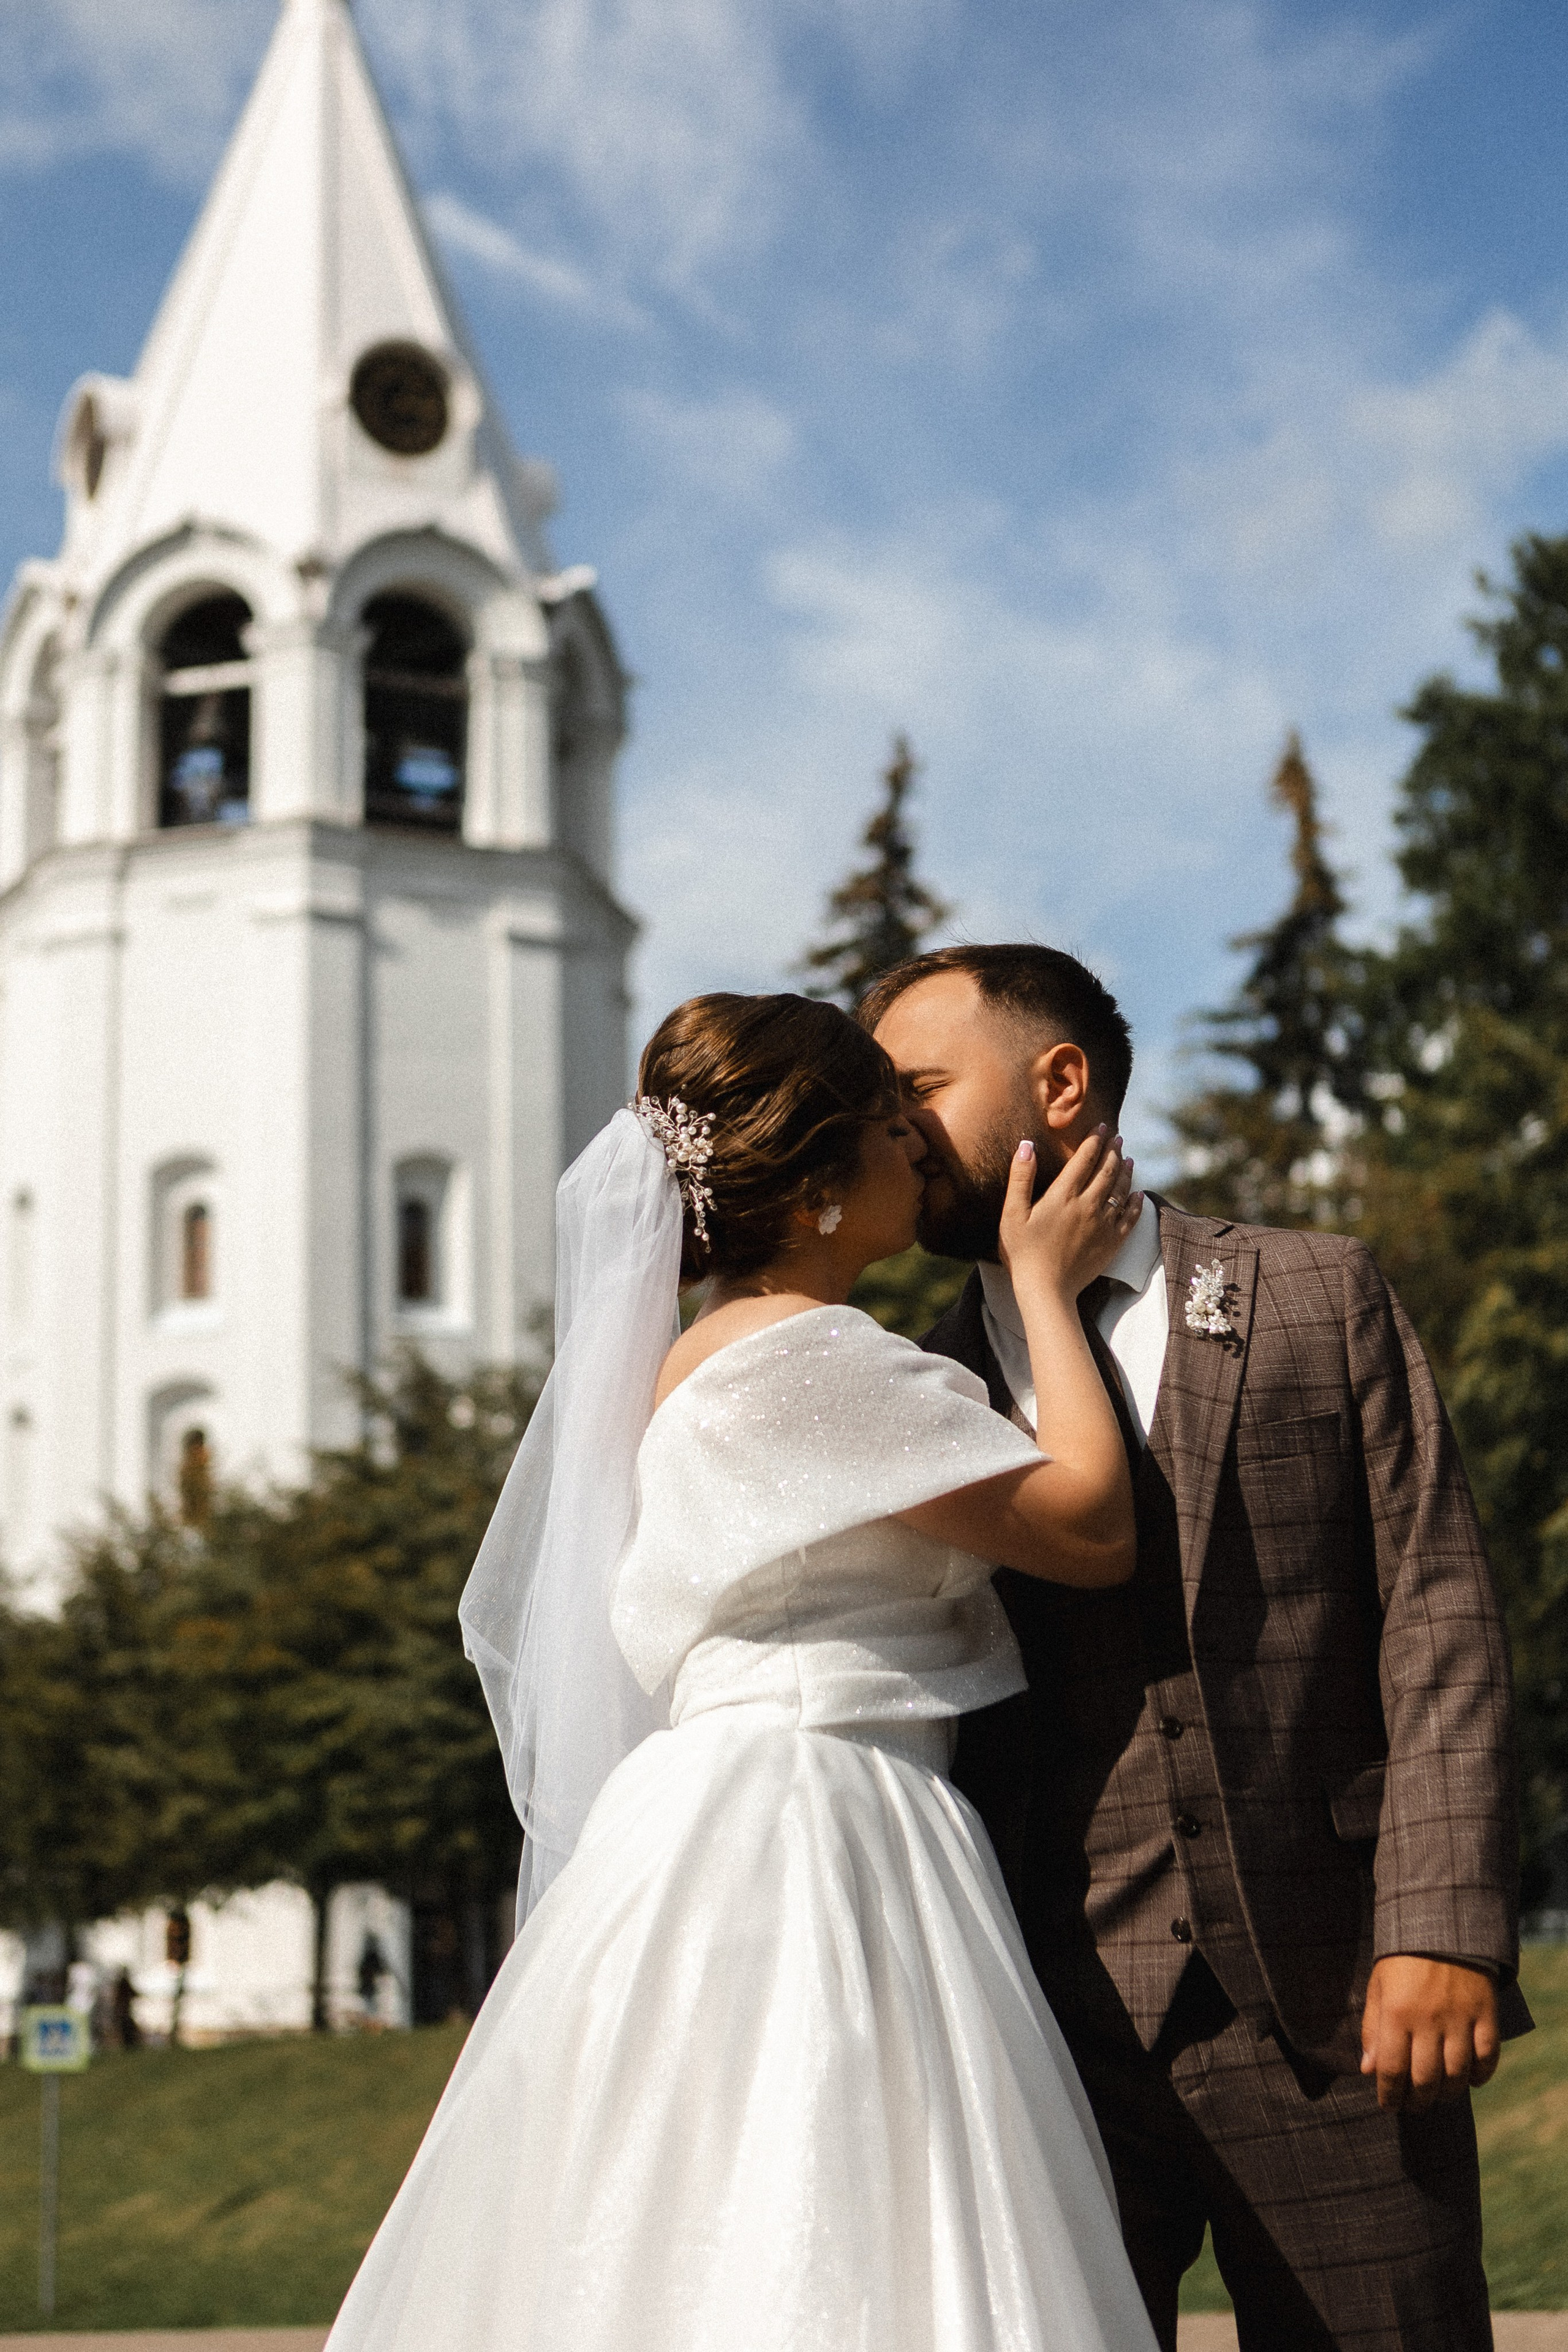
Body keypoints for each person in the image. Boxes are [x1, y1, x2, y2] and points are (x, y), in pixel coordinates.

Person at [328, 991, 1160, 2352]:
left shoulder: (703, 1357)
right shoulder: (803, 1355)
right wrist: (1041, 1293)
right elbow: (1090, 1528)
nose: (918, 1158)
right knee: (827, 2209)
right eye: (894, 1132)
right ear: (824, 1188)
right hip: (815, 1817)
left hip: (737, 1806)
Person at [865, 943, 1531, 2352]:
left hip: (1344, 2006)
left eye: (918, 1086)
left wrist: (1439, 1922)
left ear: (1059, 1081)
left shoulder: (1313, 1293)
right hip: (1039, 2033)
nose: (890, 1128)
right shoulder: (912, 1392)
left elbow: (1439, 1617)